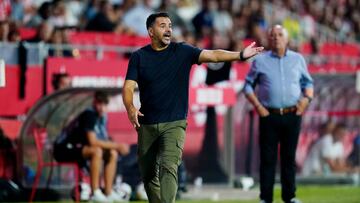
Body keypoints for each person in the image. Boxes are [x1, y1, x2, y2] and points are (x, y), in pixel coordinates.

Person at [122, 12, 263, 203]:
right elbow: (128, 88)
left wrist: (239, 55)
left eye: (170, 25)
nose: (168, 29)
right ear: (151, 31)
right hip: (147, 123)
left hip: (175, 122)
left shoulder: (182, 51)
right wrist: (130, 107)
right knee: (147, 175)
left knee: (169, 166)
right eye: (162, 25)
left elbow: (213, 55)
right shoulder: (139, 57)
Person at [243, 25, 314, 203]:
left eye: (280, 35)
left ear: (287, 39)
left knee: (289, 158)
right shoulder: (260, 61)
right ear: (268, 39)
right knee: (267, 159)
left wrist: (306, 101)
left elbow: (308, 83)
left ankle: (289, 197)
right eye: (272, 35)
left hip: (292, 114)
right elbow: (247, 85)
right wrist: (258, 106)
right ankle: (265, 198)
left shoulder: (298, 59)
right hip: (269, 115)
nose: (276, 38)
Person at [53, 91, 129, 202]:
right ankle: (95, 193)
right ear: (94, 102)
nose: (102, 108)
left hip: (80, 149)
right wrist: (118, 145)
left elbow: (103, 140)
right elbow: (93, 142)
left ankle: (108, 192)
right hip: (63, 149)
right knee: (96, 151)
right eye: (100, 104)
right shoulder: (89, 115)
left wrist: (115, 147)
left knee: (112, 153)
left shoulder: (103, 117)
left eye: (105, 105)